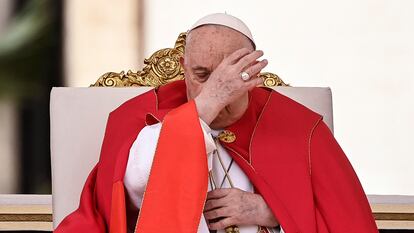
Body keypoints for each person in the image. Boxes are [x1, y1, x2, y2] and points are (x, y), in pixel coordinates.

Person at [55, 13, 378, 233]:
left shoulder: (299, 127)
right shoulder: (140, 117)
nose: (217, 86)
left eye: (231, 75)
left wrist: (271, 212)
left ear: (254, 71)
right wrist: (207, 104)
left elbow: (346, 222)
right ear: (183, 68)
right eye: (202, 75)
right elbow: (132, 196)